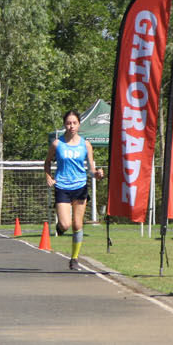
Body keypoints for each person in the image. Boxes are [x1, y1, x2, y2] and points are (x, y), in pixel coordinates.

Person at [43, 110, 106, 269]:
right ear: (64, 124)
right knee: (65, 225)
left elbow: (91, 169)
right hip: (63, 186)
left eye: (74, 123)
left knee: (77, 225)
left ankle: (74, 258)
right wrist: (48, 176)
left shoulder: (85, 144)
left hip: (80, 186)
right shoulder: (58, 144)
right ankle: (59, 228)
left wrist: (97, 174)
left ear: (79, 124)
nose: (71, 126)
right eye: (68, 123)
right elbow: (47, 162)